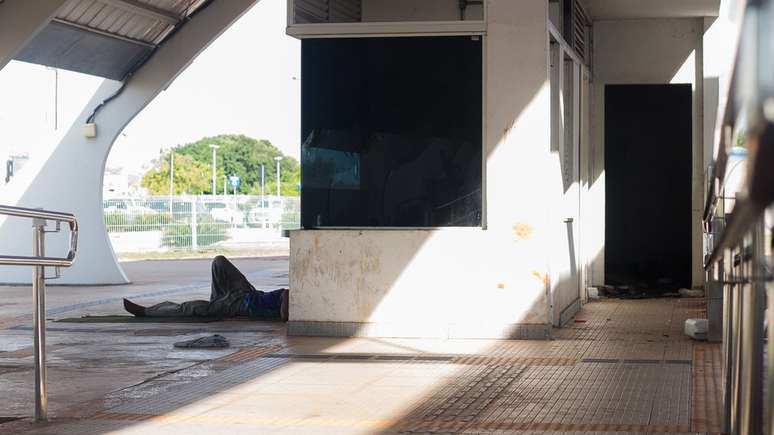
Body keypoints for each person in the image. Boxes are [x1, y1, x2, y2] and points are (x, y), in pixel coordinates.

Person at [123, 255, 289, 321]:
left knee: (191, 307)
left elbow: (283, 317)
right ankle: (216, 302)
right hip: (246, 293)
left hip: (241, 306)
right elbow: (286, 296)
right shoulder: (290, 295)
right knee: (219, 262)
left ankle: (147, 311)